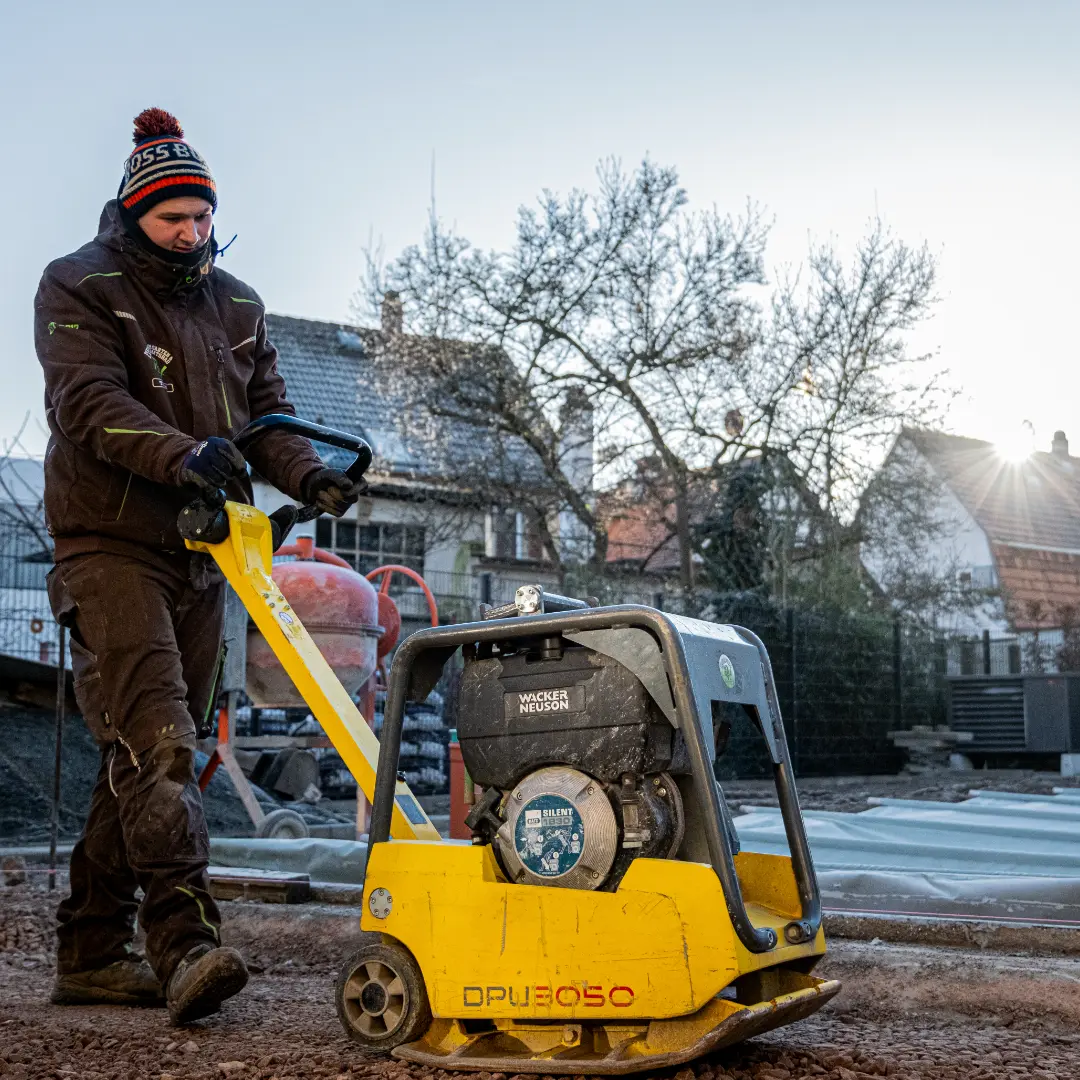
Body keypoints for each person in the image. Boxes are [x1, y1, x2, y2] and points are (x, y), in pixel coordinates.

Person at [35, 108, 362, 1024]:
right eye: (173, 218)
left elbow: (268, 418)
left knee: (138, 758)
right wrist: (183, 454)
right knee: (163, 744)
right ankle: (185, 946)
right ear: (136, 212)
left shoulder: (240, 305)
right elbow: (87, 403)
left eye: (201, 216)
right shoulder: (78, 286)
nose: (192, 232)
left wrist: (312, 476)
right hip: (109, 544)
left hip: (204, 550)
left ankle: (93, 952)